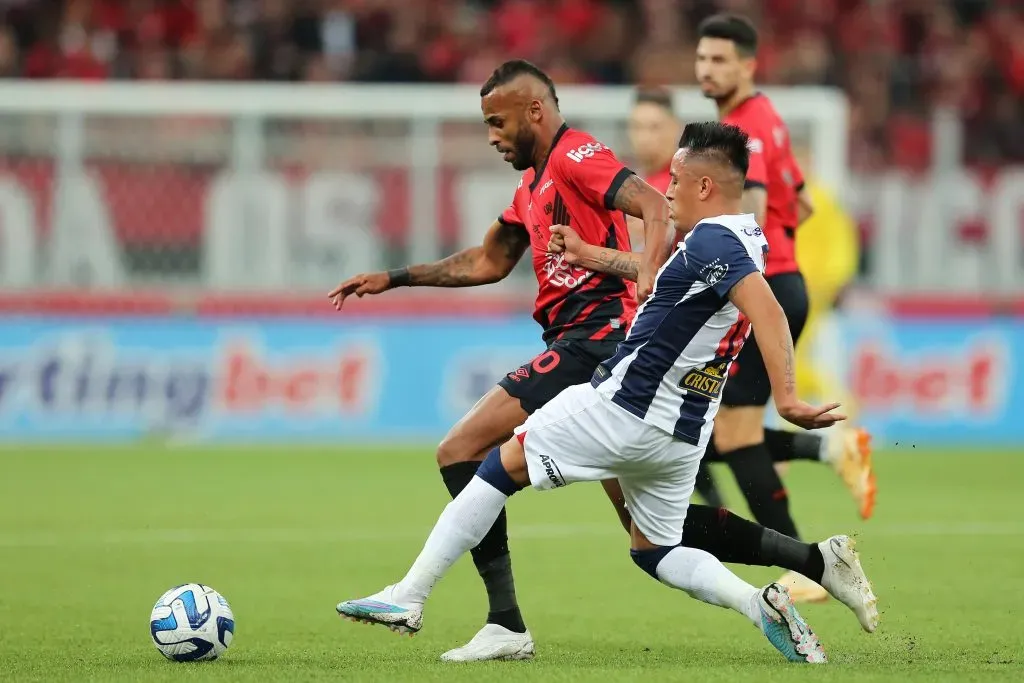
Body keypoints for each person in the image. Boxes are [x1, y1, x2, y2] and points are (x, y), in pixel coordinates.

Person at [329, 60, 876, 663]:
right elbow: (489, 262)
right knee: (651, 546)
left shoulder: (581, 157)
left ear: (533, 110)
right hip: (674, 426)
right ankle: (802, 571)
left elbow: (667, 223)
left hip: (601, 360)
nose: (491, 134)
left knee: (478, 457)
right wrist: (398, 277)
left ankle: (424, 600)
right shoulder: (721, 240)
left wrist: (790, 397)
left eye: (496, 121)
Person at [693, 13, 875, 600]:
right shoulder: (767, 120)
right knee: (725, 433)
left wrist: (732, 270)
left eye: (720, 60)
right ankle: (823, 477)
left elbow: (761, 204)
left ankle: (807, 565)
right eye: (702, 58)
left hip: (762, 286)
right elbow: (800, 202)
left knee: (732, 434)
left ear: (748, 65)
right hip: (783, 282)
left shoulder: (745, 128)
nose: (706, 69)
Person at [626, 86, 726, 509]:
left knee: (714, 433)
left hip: (684, 330)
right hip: (639, 324)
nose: (644, 136)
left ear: (674, 131)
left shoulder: (688, 188)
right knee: (681, 430)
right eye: (637, 127)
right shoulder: (631, 186)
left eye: (655, 126)